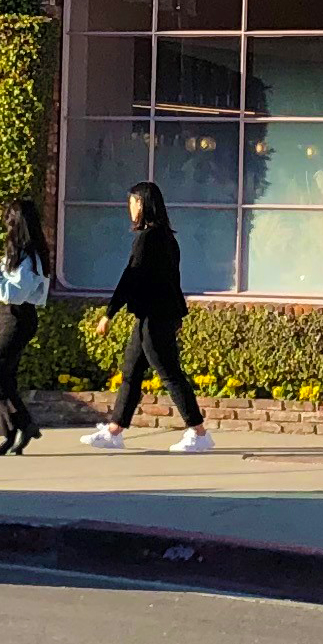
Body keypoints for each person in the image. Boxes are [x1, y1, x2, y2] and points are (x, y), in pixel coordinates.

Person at [82, 182, 214, 453]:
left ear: (142, 204)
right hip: (152, 315)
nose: (129, 208)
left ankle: (199, 432)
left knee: (169, 373)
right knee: (131, 370)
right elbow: (166, 279)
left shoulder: (148, 239)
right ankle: (115, 430)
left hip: (155, 317)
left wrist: (109, 314)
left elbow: (130, 277)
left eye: (132, 202)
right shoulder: (167, 238)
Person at [0, 198, 50, 456]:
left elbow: (14, 293)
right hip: (12, 316)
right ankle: (9, 435)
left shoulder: (27, 257)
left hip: (17, 316)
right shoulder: (23, 254)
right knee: (4, 375)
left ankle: (24, 423)